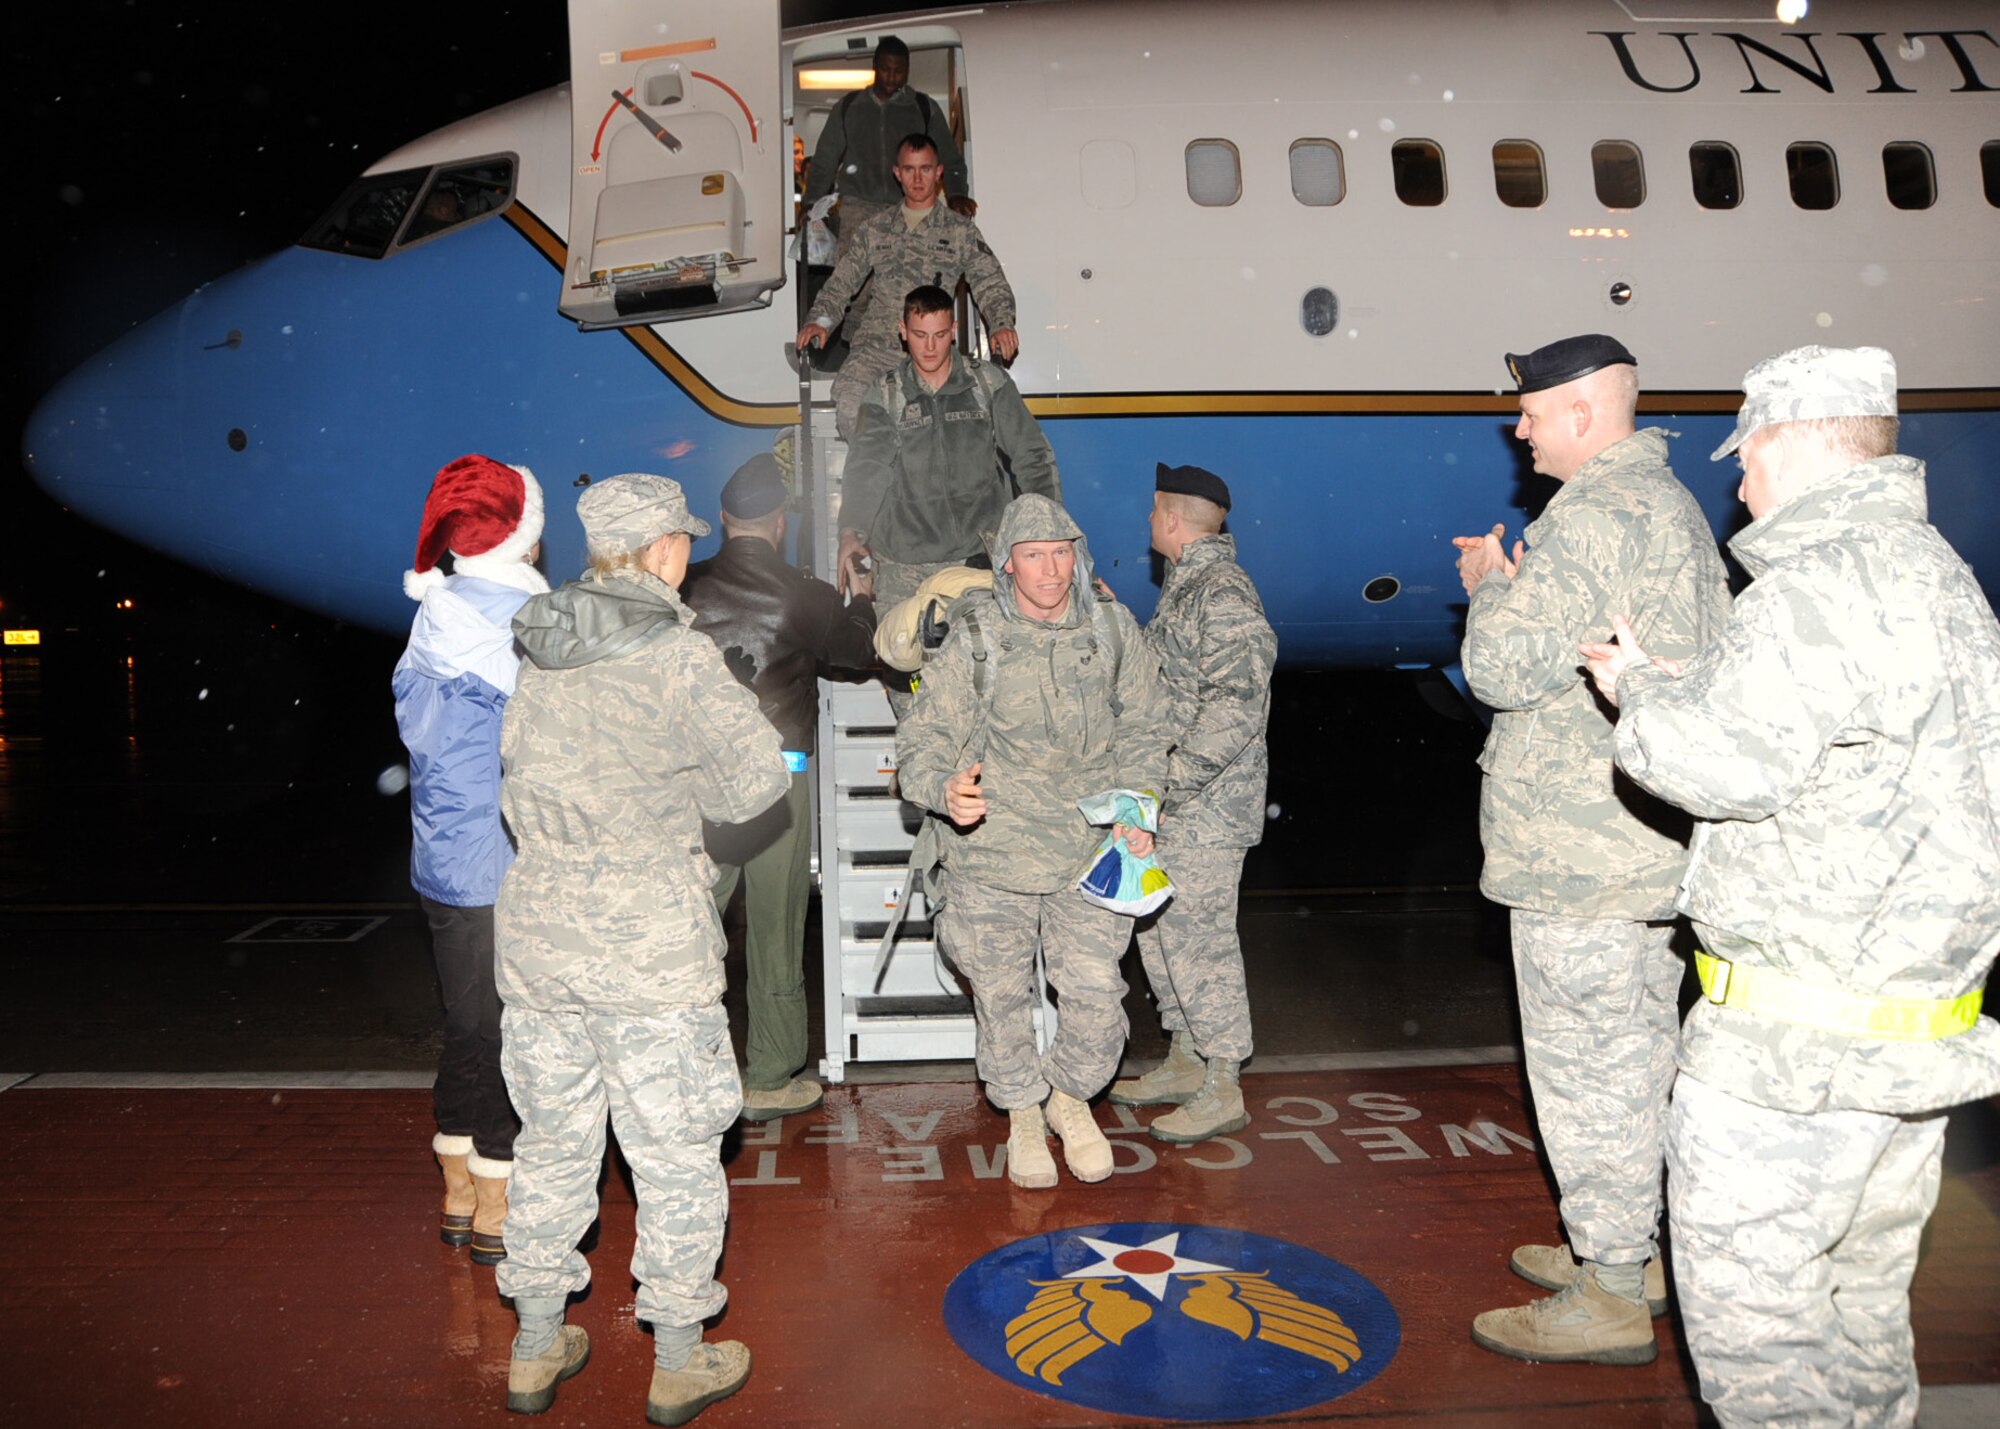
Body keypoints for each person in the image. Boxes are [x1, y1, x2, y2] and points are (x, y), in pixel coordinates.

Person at [1580, 345, 2000, 1427]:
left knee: (1762, 1351)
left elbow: (1716, 768)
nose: (1738, 482)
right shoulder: (1936, 578)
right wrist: (1683, 687)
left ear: (1792, 445)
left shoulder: (1810, 588)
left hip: (1786, 1067)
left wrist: (1633, 696)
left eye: (1747, 454)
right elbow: (1843, 752)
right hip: (1908, 1049)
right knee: (1861, 1332)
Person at [1453, 334, 1732, 1366]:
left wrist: (1489, 584)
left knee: (1587, 1069)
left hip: (1583, 856)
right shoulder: (1661, 508)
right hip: (1636, 847)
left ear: (1578, 411)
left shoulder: (1593, 517)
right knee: (1636, 1057)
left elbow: (1498, 667)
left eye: (1529, 411)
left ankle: (1611, 1291)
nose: (1516, 430)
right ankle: (1629, 1254)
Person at [493, 474, 790, 1424]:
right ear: (664, 547)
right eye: (682, 543)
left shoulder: (540, 646)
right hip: (648, 945)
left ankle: (537, 1346)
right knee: (672, 1154)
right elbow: (750, 789)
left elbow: (516, 778)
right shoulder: (678, 656)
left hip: (540, 938)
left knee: (551, 1143)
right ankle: (677, 1357)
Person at [897, 493, 1170, 1189]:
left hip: (1088, 850)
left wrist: (1137, 810)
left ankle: (1070, 1098)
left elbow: (1145, 724)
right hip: (993, 850)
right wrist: (941, 787)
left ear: (1075, 556)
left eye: (1060, 553)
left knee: (1097, 997)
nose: (1050, 570)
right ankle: (1022, 1112)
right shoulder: (978, 638)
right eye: (1033, 556)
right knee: (1001, 995)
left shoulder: (1112, 628)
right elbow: (922, 741)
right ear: (1007, 565)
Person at [678, 452, 880, 1122]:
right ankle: (769, 1075)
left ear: (726, 520)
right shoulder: (801, 591)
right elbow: (856, 650)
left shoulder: (687, 586)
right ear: (779, 521)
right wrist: (859, 593)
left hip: (698, 780)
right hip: (779, 782)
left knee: (691, 927)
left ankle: (688, 1070)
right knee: (775, 924)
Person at [393, 453, 547, 1264]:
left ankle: (457, 1186)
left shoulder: (436, 616)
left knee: (465, 1025)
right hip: (498, 863)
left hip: (444, 862)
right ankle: (497, 1196)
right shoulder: (517, 617)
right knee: (499, 1031)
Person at [1109, 464, 1276, 1144]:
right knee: (1162, 935)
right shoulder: (1188, 587)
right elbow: (1166, 679)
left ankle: (1223, 1080)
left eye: (1153, 513)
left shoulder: (1223, 591)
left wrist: (1164, 788)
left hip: (1203, 810)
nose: (1148, 524)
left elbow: (1234, 712)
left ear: (1172, 518)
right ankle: (1184, 1056)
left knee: (1202, 945)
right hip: (1174, 806)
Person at [795, 135, 1019, 439]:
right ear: (897, 173)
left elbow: (990, 282)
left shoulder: (959, 231)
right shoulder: (875, 228)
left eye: (925, 169)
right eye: (909, 169)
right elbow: (842, 282)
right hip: (876, 347)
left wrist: (1000, 325)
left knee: (935, 433)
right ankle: (880, 480)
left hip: (931, 351)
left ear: (939, 173)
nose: (917, 178)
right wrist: (818, 322)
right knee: (850, 407)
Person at [802, 36, 973, 266]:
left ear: (908, 70)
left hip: (906, 209)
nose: (892, 77)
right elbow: (825, 159)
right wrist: (811, 204)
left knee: (903, 287)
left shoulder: (923, 108)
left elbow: (949, 156)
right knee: (855, 290)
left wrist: (957, 193)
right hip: (856, 210)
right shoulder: (849, 107)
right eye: (885, 69)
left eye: (899, 71)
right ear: (874, 65)